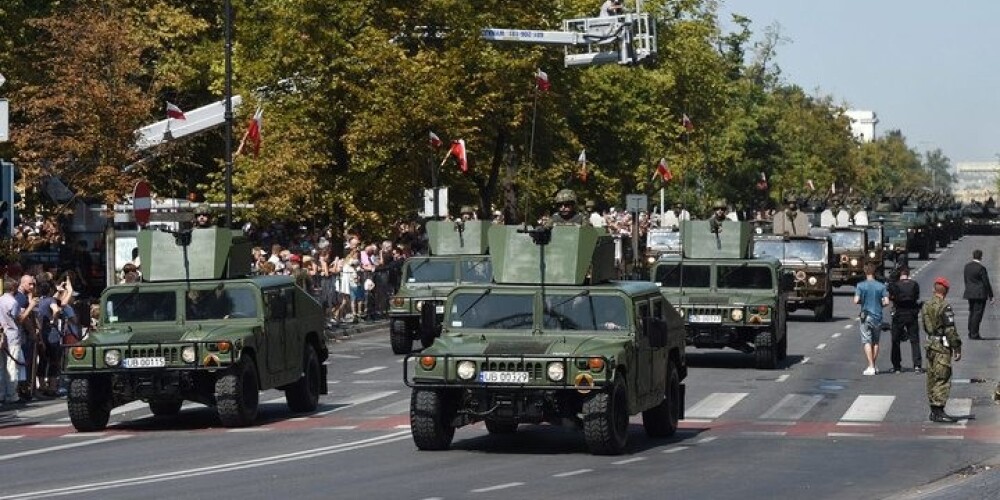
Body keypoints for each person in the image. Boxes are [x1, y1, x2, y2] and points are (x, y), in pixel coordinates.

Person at [921, 277, 962, 423]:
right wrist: (956, 346)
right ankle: (938, 410)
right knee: (942, 377)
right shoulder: (945, 307)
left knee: (932, 376)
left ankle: (933, 410)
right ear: (946, 291)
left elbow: (925, 325)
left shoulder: (926, 305)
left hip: (930, 344)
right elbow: (950, 330)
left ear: (934, 289)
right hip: (941, 347)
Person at [854, 261, 889, 376]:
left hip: (866, 315)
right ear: (875, 272)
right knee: (876, 341)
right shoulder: (881, 286)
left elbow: (856, 300)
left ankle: (871, 366)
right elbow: (886, 302)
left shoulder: (860, 285)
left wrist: (861, 301)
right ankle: (873, 364)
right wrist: (880, 304)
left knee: (866, 340)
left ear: (865, 272)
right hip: (878, 316)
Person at [887, 266, 923, 373]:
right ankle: (917, 365)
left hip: (899, 314)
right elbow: (916, 297)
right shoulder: (914, 284)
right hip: (912, 313)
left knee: (895, 340)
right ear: (908, 274)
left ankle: (897, 365)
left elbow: (891, 296)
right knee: (915, 340)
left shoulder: (895, 285)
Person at [1, 278, 26, 405]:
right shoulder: (13, 302)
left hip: (2, 336)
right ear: (14, 288)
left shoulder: (0, 300)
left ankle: (2, 393)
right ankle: (12, 395)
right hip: (12, 335)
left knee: (1, 366)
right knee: (11, 366)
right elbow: (19, 319)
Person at [962, 248, 993, 340]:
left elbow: (966, 279)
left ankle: (970, 331)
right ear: (981, 257)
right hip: (980, 294)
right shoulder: (981, 268)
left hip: (970, 292)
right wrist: (991, 295)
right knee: (977, 314)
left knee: (971, 312)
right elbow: (986, 282)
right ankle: (974, 333)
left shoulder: (967, 266)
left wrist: (968, 288)